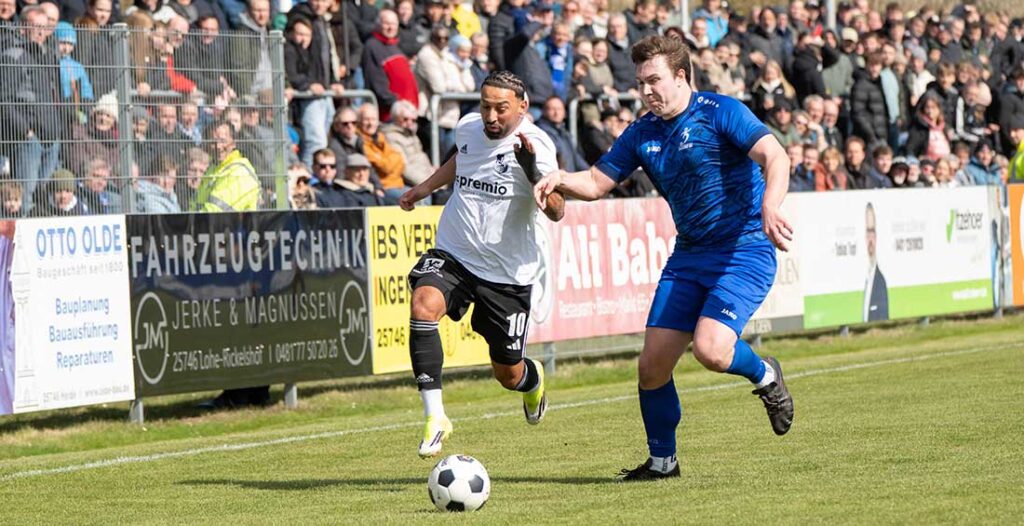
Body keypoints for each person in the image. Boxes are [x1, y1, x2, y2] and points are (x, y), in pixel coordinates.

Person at [533, 35, 795, 480]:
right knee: (652, 367)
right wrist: (559, 177)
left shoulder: (720, 112)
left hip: (744, 247)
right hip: (690, 255)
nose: (647, 90)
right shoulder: (642, 133)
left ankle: (765, 374)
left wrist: (771, 204)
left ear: (681, 76)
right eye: (640, 83)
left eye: (654, 80)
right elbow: (597, 183)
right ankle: (662, 464)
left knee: (711, 350)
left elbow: (775, 155)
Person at [397, 70, 565, 459]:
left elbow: (557, 211)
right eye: (485, 106)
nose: (491, 116)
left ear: (522, 108)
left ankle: (533, 380)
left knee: (508, 374)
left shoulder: (537, 146)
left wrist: (529, 168)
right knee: (423, 304)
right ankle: (435, 416)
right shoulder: (468, 128)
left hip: (506, 274)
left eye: (500, 109)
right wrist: (424, 188)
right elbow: (462, 159)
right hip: (456, 252)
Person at [863, 202, 888, 322]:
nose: (870, 239)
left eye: (872, 231)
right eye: (867, 232)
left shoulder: (880, 282)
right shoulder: (864, 277)